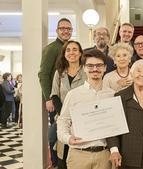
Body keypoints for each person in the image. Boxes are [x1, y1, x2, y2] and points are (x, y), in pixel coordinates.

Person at [57, 49, 114, 169]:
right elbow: (63, 121)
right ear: (83, 68)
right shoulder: (73, 95)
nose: (95, 69)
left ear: (105, 68)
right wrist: (68, 139)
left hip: (104, 155)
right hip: (78, 155)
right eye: (90, 65)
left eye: (99, 65)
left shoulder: (113, 95)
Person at [108, 59, 143, 169]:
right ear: (132, 74)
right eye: (138, 71)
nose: (142, 74)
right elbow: (113, 126)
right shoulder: (121, 96)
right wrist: (114, 150)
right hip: (130, 150)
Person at [38, 17, 73, 168]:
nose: (65, 31)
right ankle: (57, 163)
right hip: (56, 99)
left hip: (69, 99)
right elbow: (43, 74)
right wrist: (48, 98)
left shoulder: (70, 48)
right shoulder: (52, 48)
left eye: (68, 29)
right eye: (62, 28)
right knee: (57, 134)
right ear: (57, 30)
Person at [50, 40, 87, 169]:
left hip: (83, 118)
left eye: (75, 49)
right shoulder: (59, 73)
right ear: (64, 54)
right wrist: (62, 114)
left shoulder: (87, 71)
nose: (72, 52)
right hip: (64, 117)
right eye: (68, 50)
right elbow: (54, 95)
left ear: (80, 53)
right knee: (59, 147)